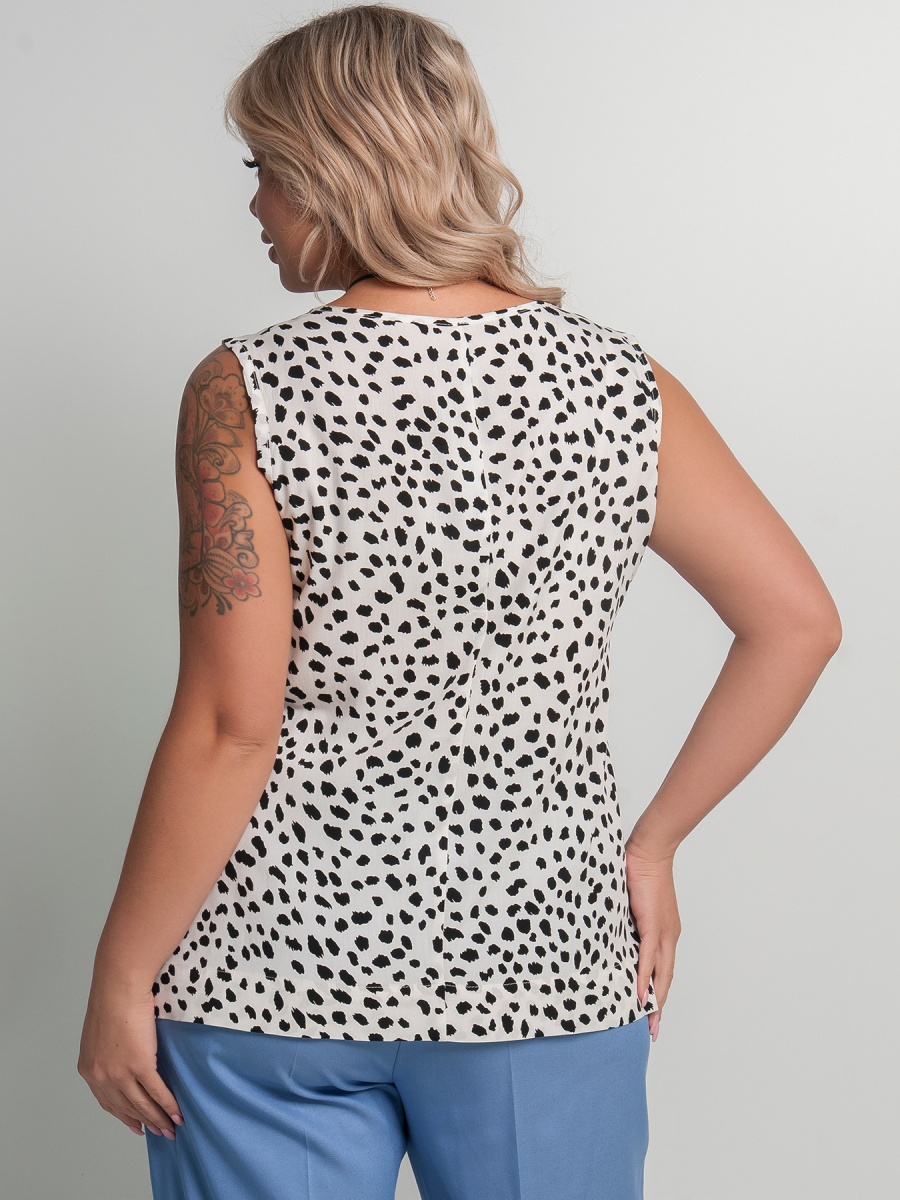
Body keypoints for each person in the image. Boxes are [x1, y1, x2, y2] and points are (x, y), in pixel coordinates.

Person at [76, 5, 842, 1199]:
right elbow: (796, 621)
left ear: (332, 168)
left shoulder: (247, 389)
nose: (255, 207)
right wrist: (653, 846)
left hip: (271, 976)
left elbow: (232, 726)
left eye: (265, 168)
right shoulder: (619, 383)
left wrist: (123, 973)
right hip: (542, 968)